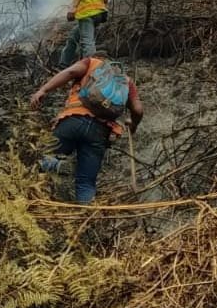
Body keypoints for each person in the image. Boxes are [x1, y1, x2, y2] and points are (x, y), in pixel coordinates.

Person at [28, 54, 145, 204]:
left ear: (101, 58)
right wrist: (133, 124)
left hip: (72, 120)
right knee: (86, 182)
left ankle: (52, 173)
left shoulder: (92, 63)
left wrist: (43, 90)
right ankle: (84, 216)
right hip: (100, 132)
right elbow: (138, 109)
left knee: (43, 158)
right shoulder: (126, 81)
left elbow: (69, 73)